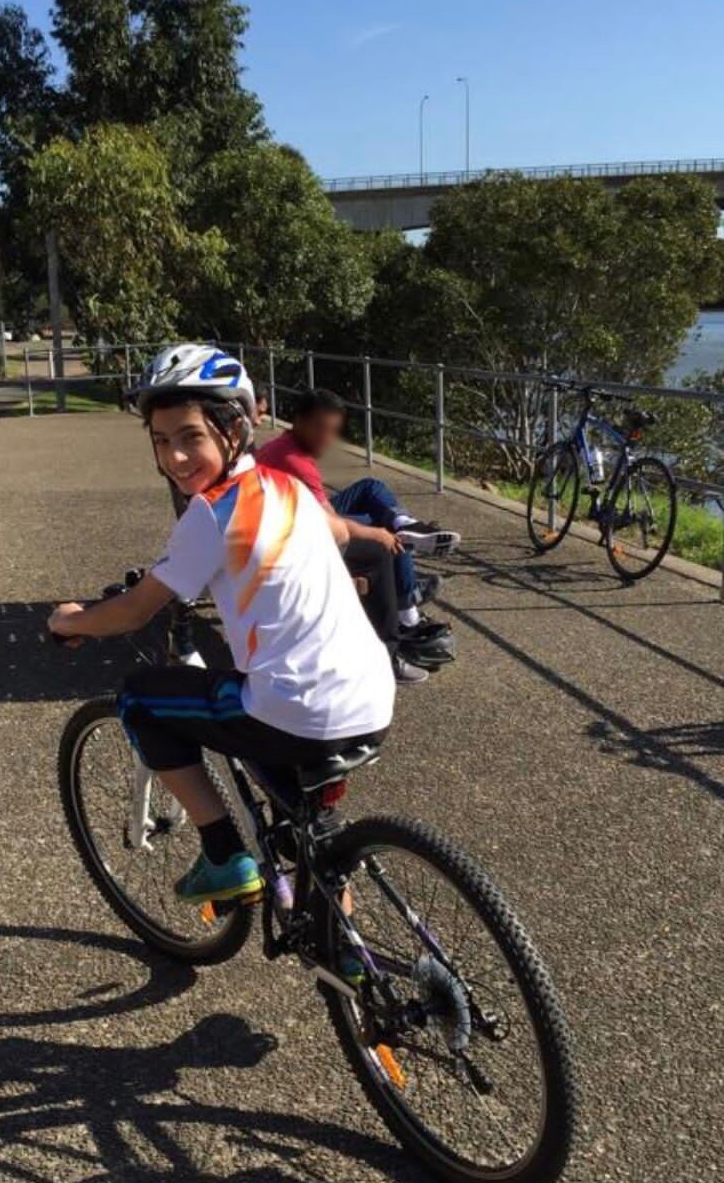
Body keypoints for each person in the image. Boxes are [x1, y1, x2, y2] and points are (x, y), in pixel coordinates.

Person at [48, 344, 395, 908]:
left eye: (191, 437)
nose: (175, 457)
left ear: (234, 429)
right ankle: (343, 938)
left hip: (296, 708)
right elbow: (333, 534)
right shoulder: (288, 488)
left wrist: (72, 620)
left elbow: (135, 610)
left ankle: (223, 854)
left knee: (140, 698)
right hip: (370, 697)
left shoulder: (211, 512)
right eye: (161, 440)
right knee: (308, 828)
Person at [257, 388, 458, 666]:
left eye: (333, 431)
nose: (328, 439)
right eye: (321, 429)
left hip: (293, 517)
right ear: (300, 421)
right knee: (384, 535)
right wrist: (376, 533)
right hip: (293, 535)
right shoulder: (295, 461)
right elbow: (333, 527)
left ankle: (405, 524)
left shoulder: (284, 445)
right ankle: (406, 613)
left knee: (370, 488)